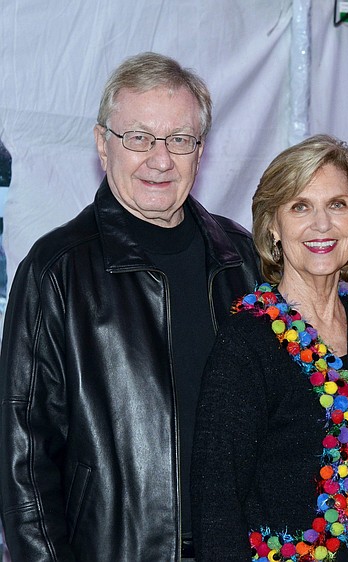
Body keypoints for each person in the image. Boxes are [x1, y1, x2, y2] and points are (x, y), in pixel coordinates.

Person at [0, 52, 260, 561]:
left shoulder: (242, 260)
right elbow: (23, 462)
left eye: (179, 140)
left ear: (199, 150)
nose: (160, 159)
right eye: (138, 138)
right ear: (103, 145)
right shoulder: (57, 270)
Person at [191, 134, 348, 561]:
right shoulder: (247, 343)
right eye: (300, 206)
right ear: (274, 226)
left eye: (337, 205)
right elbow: (215, 504)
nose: (321, 225)